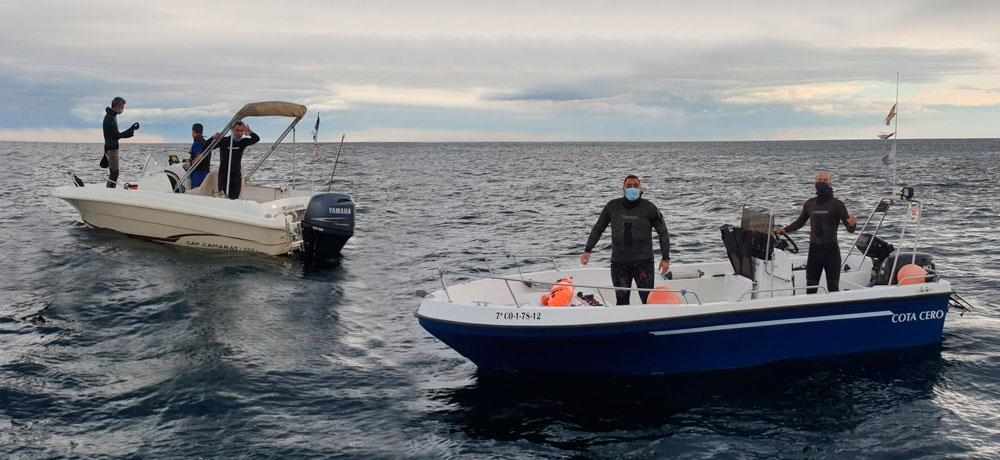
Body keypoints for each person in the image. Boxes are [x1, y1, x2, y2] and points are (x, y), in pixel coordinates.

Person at [581, 175, 671, 305]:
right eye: (629, 186)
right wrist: (587, 250)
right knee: (621, 301)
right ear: (623, 188)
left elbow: (663, 232)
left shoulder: (649, 208)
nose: (632, 188)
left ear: (641, 189)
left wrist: (665, 258)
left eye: (636, 185)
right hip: (619, 264)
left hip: (644, 263)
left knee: (648, 300)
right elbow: (598, 228)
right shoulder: (612, 206)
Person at [775, 172, 860, 294]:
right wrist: (785, 230)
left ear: (830, 184)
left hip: (831, 252)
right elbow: (800, 222)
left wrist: (853, 225)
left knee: (833, 289)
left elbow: (850, 229)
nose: (822, 182)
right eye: (820, 180)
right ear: (815, 183)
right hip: (814, 252)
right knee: (810, 289)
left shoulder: (837, 204)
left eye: (825, 180)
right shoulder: (810, 204)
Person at [209, 121, 259, 199]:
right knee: (223, 199)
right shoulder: (224, 141)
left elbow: (256, 139)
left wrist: (250, 133)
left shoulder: (243, 142)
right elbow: (207, 147)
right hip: (223, 178)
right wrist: (213, 138)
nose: (239, 133)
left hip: (236, 178)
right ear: (232, 130)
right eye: (237, 130)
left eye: (241, 131)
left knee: (234, 200)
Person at [101, 97, 140, 188]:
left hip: (112, 147)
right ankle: (110, 191)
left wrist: (130, 130)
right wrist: (130, 131)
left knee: (114, 172)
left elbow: (116, 135)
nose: (123, 109)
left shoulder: (112, 115)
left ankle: (110, 189)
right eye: (122, 107)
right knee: (115, 173)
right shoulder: (109, 118)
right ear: (118, 106)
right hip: (111, 149)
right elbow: (115, 136)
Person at [186, 123, 212, 189]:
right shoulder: (205, 142)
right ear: (202, 132)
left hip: (198, 174)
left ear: (193, 131)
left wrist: (191, 164)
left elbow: (199, 156)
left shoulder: (197, 143)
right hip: (206, 172)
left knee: (195, 193)